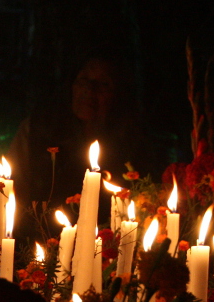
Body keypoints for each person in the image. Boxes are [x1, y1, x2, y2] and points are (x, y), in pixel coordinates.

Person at [9, 53, 156, 235]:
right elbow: (15, 187)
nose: (89, 90)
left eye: (103, 84)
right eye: (83, 80)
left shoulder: (133, 143)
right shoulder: (37, 130)